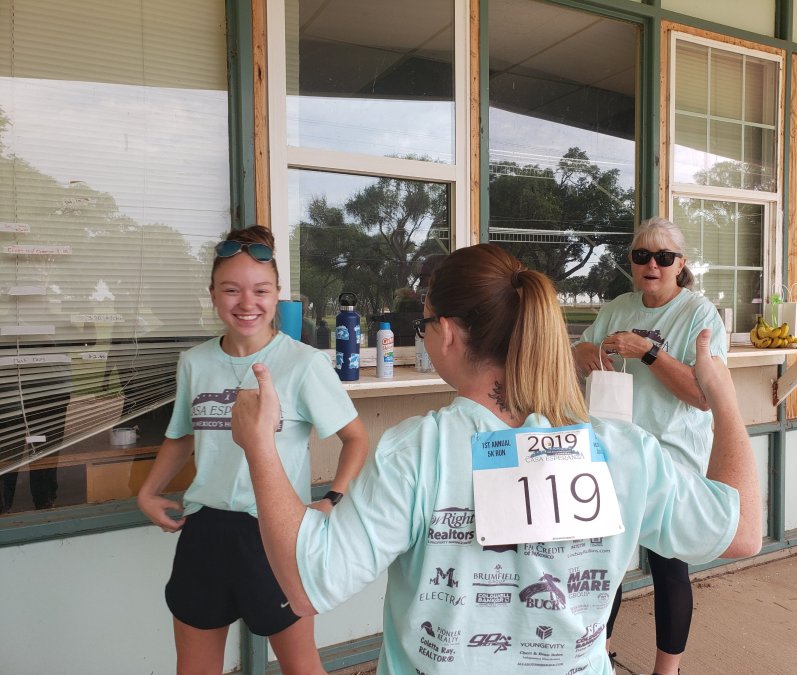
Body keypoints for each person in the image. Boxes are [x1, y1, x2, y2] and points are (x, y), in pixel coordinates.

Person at [231, 243, 760, 675]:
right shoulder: (624, 451)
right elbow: (741, 534)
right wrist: (723, 398)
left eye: (424, 324)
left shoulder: (419, 452)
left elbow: (308, 583)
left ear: (446, 333)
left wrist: (259, 446)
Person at [137, 225, 368, 675]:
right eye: (231, 290)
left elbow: (356, 438)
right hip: (204, 532)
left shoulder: (303, 363)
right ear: (213, 295)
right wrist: (148, 492)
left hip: (276, 534)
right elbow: (181, 435)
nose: (247, 303)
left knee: (301, 668)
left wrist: (331, 499)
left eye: (260, 290)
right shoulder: (194, 362)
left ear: (277, 294)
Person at [572, 216, 729, 675]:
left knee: (668, 566)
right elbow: (580, 353)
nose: (652, 265)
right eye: (642, 256)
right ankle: (596, 658)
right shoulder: (617, 307)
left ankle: (667, 670)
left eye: (664, 257)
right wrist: (588, 353)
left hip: (671, 456)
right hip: (613, 455)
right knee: (605, 563)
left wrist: (649, 352)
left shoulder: (699, 315)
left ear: (681, 264)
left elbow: (703, 395)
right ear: (631, 262)